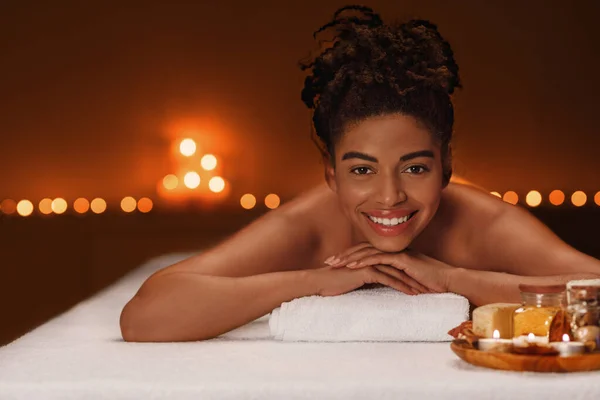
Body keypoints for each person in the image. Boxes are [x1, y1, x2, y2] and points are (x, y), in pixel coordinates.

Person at [120, 5, 600, 342]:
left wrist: (452, 278)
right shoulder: (308, 227)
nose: (389, 196)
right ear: (331, 173)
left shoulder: (482, 223)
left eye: (414, 166)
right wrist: (313, 281)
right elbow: (145, 317)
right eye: (362, 169)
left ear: (447, 165)